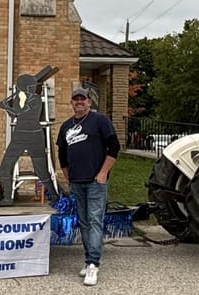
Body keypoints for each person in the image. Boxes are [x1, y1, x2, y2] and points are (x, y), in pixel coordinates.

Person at [56, 88, 119, 287]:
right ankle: (88, 258)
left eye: (83, 99)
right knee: (83, 222)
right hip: (77, 182)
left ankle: (93, 264)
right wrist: (68, 177)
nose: (79, 102)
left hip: (95, 182)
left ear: (89, 102)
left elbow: (114, 147)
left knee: (94, 221)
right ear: (71, 103)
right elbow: (62, 155)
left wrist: (102, 173)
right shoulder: (66, 126)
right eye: (76, 100)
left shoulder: (100, 121)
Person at [0, 74, 58, 206]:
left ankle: (54, 196)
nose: (33, 89)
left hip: (35, 136)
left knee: (41, 170)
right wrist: (7, 106)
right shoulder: (19, 98)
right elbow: (14, 115)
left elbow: (23, 113)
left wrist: (6, 106)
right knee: (5, 167)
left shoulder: (35, 99)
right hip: (19, 135)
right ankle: (7, 198)